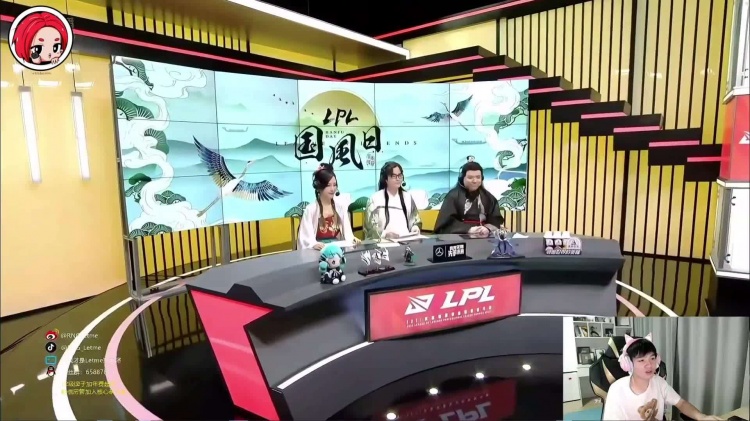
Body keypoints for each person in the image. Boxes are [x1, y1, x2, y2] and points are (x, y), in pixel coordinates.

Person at [602, 334, 723, 421]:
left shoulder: (659, 383)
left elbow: (681, 403)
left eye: (652, 358)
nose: (649, 364)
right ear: (628, 364)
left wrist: (702, 417)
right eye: (641, 360)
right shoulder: (617, 390)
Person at [434, 161, 504, 236]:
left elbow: (496, 219)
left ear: (482, 178)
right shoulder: (452, 196)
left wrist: (487, 228)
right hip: (459, 238)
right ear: (462, 178)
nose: (475, 181)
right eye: (470, 177)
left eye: (478, 177)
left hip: (484, 237)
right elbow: (446, 223)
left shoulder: (488, 197)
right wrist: (468, 229)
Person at [297, 164, 358, 250]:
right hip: (318, 251)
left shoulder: (340, 207)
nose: (332, 189)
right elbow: (305, 239)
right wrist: (313, 244)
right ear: (319, 187)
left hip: (338, 250)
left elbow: (348, 233)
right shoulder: (310, 210)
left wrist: (352, 239)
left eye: (334, 185)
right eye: (328, 185)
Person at [364, 162, 422, 240]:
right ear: (385, 179)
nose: (398, 179)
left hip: (407, 240)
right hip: (384, 243)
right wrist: (385, 234)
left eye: (400, 175)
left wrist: (415, 228)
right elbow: (370, 228)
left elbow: (415, 219)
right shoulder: (375, 199)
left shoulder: (408, 197)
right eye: (394, 176)